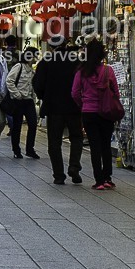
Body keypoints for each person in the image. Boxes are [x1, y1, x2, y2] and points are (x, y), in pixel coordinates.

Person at [33, 35, 84, 185]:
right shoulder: (76, 61)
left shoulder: (45, 62)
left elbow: (37, 85)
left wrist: (45, 96)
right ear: (66, 45)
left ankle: (59, 175)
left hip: (53, 107)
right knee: (76, 137)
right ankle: (74, 166)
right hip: (74, 106)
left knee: (54, 142)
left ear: (50, 47)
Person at [72, 39, 122, 191]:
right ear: (102, 55)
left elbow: (75, 92)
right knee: (106, 145)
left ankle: (98, 180)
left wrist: (83, 104)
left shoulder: (81, 72)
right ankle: (107, 178)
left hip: (89, 112)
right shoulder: (108, 70)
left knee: (95, 146)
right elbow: (116, 92)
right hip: (106, 112)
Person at [5, 46, 40, 161]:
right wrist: (17, 94)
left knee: (33, 124)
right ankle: (16, 150)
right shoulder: (19, 66)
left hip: (29, 101)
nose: (36, 58)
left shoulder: (32, 71)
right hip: (18, 101)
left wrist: (33, 98)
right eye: (35, 55)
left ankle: (30, 149)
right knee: (17, 126)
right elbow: (9, 80)